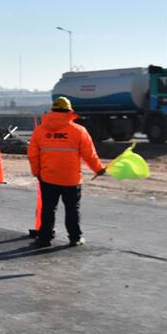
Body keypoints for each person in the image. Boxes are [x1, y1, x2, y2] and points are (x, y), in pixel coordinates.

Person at [27, 96, 105, 247]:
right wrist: (98, 169)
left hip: (48, 178)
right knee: (72, 209)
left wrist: (37, 172)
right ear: (69, 111)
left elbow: (32, 155)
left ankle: (44, 238)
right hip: (71, 179)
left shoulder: (40, 131)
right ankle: (75, 238)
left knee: (48, 208)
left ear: (52, 110)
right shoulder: (79, 131)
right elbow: (89, 154)